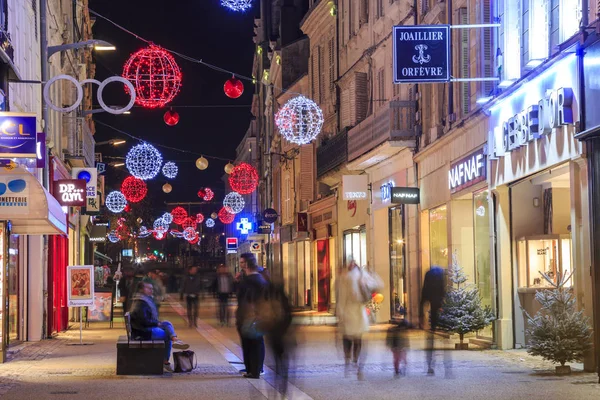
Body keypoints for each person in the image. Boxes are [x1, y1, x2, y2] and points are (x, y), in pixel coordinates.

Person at [129, 281, 190, 372]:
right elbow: (143, 321)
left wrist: (157, 323)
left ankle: (175, 339)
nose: (151, 290)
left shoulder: (142, 300)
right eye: (148, 288)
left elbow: (144, 319)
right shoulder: (141, 303)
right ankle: (166, 361)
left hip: (143, 329)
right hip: (143, 332)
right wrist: (156, 323)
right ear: (141, 289)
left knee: (167, 323)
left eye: (152, 288)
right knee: (166, 336)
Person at [336, 258, 382, 379]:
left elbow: (341, 298)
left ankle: (352, 362)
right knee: (356, 339)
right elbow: (378, 284)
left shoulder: (348, 277)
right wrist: (371, 273)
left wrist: (340, 314)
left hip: (352, 311)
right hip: (356, 312)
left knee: (352, 338)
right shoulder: (356, 275)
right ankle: (354, 363)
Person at [236, 252, 269, 379]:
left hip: (251, 316)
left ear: (249, 263)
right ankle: (252, 368)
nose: (241, 265)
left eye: (243, 262)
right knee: (249, 343)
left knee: (254, 343)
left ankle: (255, 369)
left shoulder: (255, 280)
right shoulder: (250, 279)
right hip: (247, 316)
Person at [420, 265, 446, 375]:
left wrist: (421, 316)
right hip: (437, 308)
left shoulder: (428, 275)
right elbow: (443, 291)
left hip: (431, 308)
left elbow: (424, 295)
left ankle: (430, 364)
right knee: (438, 339)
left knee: (430, 340)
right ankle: (444, 368)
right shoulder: (440, 276)